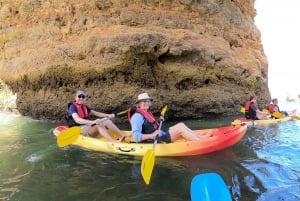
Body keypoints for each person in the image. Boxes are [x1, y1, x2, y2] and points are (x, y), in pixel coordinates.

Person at [129, 92, 210, 143]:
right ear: (139, 104)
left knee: (181, 125)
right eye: (144, 101)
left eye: (148, 101)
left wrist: (158, 120)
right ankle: (200, 142)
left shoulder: (146, 112)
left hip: (160, 133)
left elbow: (149, 123)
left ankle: (200, 137)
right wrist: (152, 135)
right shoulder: (137, 117)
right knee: (180, 129)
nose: (146, 103)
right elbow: (136, 137)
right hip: (155, 139)